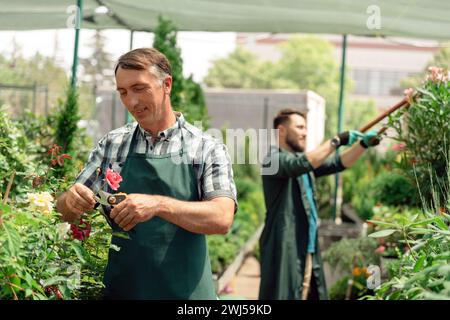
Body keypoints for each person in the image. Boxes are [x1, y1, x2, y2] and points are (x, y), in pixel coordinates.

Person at [56, 48, 237, 300]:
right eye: (123, 92)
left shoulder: (206, 147)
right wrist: (71, 201)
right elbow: (63, 212)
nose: (131, 101)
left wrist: (158, 205)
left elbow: (222, 217)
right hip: (123, 291)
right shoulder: (112, 144)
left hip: (187, 295)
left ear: (167, 85)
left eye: (139, 88)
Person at [258, 108, 380, 300]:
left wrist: (362, 145)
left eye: (305, 128)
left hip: (308, 247)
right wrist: (335, 141)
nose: (305, 132)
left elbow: (337, 163)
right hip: (285, 247)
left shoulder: (303, 162)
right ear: (281, 130)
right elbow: (300, 165)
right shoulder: (272, 160)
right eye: (299, 127)